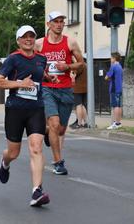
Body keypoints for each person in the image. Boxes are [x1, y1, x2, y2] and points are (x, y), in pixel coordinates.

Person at [0, 25, 49, 207]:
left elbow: (39, 74)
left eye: (31, 36)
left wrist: (49, 78)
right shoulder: (13, 59)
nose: (28, 39)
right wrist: (19, 83)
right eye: (24, 37)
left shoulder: (42, 59)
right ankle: (5, 162)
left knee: (36, 148)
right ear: (18, 40)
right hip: (15, 110)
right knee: (14, 152)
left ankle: (37, 191)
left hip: (36, 109)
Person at [35, 11, 84, 175]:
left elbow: (81, 64)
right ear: (48, 24)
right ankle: (58, 162)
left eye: (62, 21)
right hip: (47, 88)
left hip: (65, 89)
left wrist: (68, 67)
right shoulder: (39, 44)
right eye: (56, 21)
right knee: (55, 123)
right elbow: (32, 63)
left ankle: (49, 132)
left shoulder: (70, 42)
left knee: (61, 129)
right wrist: (42, 74)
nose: (59, 24)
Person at [105, 52, 123, 130]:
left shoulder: (114, 66)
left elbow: (106, 77)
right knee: (118, 106)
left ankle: (115, 123)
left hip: (114, 88)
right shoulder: (120, 66)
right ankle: (118, 123)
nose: (110, 59)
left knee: (115, 106)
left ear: (114, 58)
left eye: (111, 57)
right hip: (119, 88)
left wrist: (109, 78)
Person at [71, 62, 88, 129]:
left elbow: (73, 75)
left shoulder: (78, 65)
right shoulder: (86, 65)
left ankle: (79, 123)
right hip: (85, 88)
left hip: (78, 88)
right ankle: (86, 122)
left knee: (78, 105)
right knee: (83, 105)